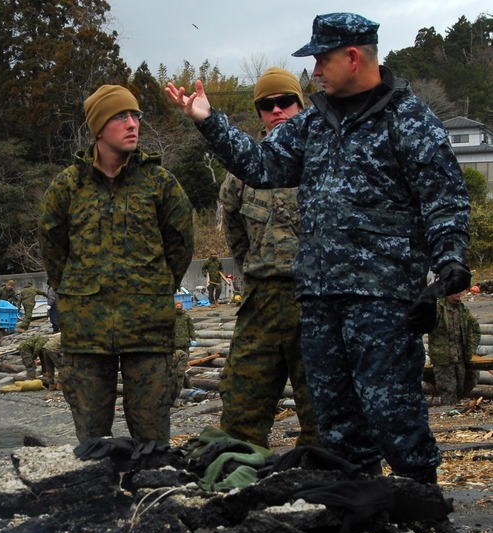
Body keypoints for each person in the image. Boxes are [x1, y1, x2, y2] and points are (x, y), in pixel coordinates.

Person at [166, 13, 471, 483]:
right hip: (319, 297)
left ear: (352, 57)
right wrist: (208, 121)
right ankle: (356, 503)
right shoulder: (313, 123)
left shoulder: (409, 120)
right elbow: (262, 165)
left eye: (322, 60)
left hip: (383, 298)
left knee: (393, 411)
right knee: (336, 420)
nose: (316, 71)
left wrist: (450, 260)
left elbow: (444, 198)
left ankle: (422, 505)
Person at [39, 84, 194, 447]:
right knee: (93, 444)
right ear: (97, 129)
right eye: (120, 116)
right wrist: (78, 292)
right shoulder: (67, 188)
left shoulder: (159, 184)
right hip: (86, 334)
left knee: (153, 442)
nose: (132, 123)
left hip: (148, 330)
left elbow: (181, 244)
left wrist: (155, 287)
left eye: (135, 115)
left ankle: (153, 499)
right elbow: (53, 250)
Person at [216, 67, 319, 449]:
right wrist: (253, 274)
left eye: (286, 101)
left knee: (324, 412)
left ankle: (325, 491)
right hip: (262, 303)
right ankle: (238, 486)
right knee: (241, 406)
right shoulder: (243, 170)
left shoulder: (324, 160)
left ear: (300, 103)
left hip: (317, 301)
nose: (277, 111)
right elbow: (235, 235)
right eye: (266, 104)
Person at [429, 292, 481, 405]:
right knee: (448, 391)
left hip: (460, 358)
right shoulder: (438, 308)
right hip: (443, 359)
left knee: (466, 384)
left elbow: (475, 329)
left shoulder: (462, 309)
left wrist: (470, 348)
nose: (459, 294)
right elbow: (425, 325)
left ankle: (455, 409)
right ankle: (450, 411)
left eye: (460, 291)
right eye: (456, 291)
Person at [173, 300, 197, 394]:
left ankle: (184, 387)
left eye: (180, 306)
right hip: (175, 346)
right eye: (177, 306)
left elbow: (191, 328)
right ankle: (183, 387)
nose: (178, 308)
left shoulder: (186, 317)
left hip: (185, 345)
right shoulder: (172, 317)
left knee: (182, 368)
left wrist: (193, 338)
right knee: (178, 369)